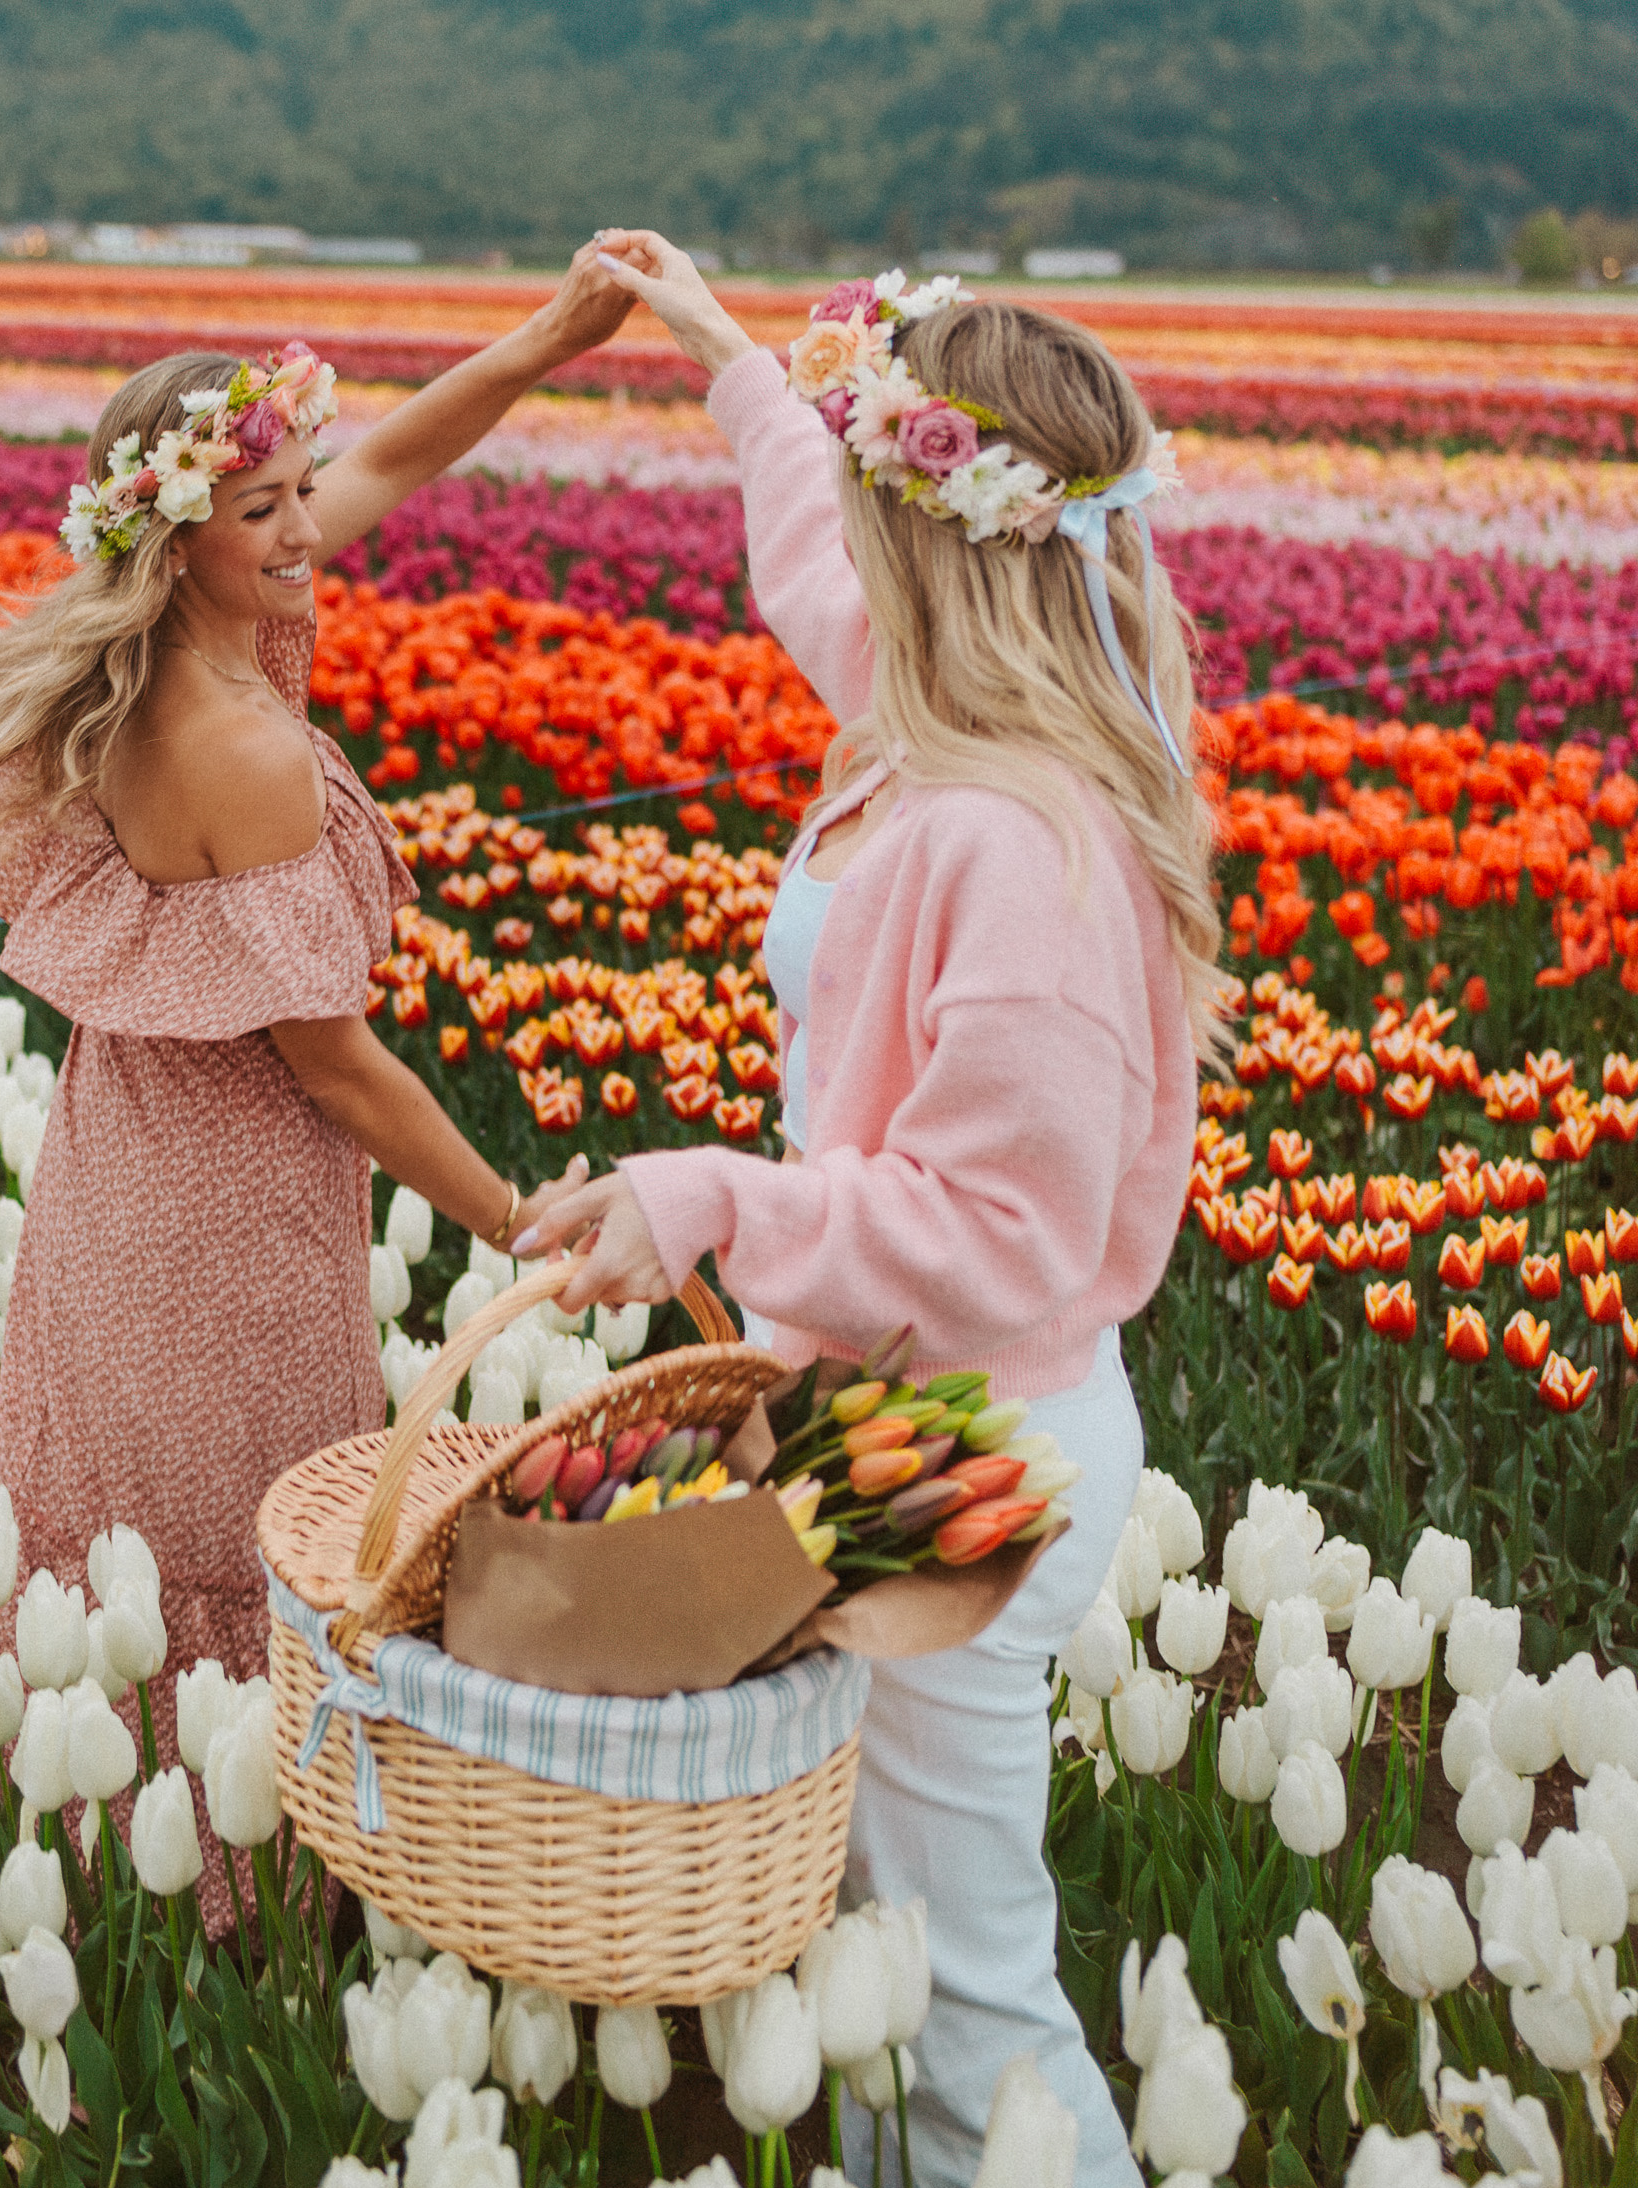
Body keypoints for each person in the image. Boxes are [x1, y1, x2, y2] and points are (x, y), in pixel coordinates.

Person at [517, 235, 1223, 2188]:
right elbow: (808, 572)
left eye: (861, 472)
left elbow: (993, 1228)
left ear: (943, 532)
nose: (837, 512)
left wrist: (712, 1194)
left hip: (969, 1434)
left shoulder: (1017, 839)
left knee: (949, 1968)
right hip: (898, 1408)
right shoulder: (943, 719)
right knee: (869, 1951)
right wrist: (721, 346)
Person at [0, 262, 628, 1827]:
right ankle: (242, 1880)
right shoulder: (243, 749)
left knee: (124, 1534)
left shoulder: (163, 672)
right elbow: (339, 1068)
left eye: (300, 491)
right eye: (264, 512)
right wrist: (520, 1224)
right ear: (176, 537)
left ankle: (106, 1853)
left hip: (114, 1183)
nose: (308, 530)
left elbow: (384, 463)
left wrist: (550, 340)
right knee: (243, 1529)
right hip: (229, 1228)